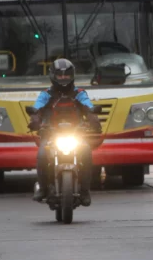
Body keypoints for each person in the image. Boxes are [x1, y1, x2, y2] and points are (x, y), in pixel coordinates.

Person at [29, 59, 101, 206]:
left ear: (72, 75)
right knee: (42, 154)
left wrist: (93, 116)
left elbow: (88, 106)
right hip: (50, 135)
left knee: (86, 152)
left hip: (76, 134)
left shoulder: (79, 93)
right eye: (60, 75)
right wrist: (35, 118)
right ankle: (43, 188)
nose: (63, 78)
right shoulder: (46, 94)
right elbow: (37, 107)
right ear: (53, 76)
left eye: (66, 75)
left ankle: (85, 191)